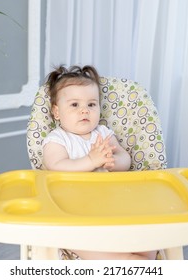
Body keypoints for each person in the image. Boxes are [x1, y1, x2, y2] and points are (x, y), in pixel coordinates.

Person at [42, 64, 157, 260]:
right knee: (118, 256)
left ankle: (140, 254)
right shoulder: (57, 140)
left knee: (149, 247)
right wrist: (91, 160)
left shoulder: (102, 134)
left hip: (109, 207)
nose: (84, 111)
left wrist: (113, 162)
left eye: (91, 104)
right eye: (75, 105)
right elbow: (57, 166)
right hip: (73, 214)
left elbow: (125, 158)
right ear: (57, 112)